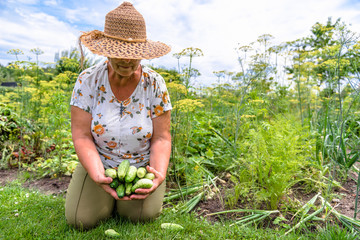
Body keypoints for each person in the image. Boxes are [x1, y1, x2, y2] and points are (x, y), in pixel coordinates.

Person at [65, 2, 172, 229]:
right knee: (80, 221)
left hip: (141, 165)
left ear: (143, 53)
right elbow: (82, 135)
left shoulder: (155, 84)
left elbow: (162, 138)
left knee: (140, 216)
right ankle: (100, 194)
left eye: (133, 54)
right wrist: (96, 173)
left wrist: (158, 174)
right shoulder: (88, 80)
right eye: (119, 53)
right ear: (107, 51)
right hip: (100, 160)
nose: (126, 60)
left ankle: (116, 202)